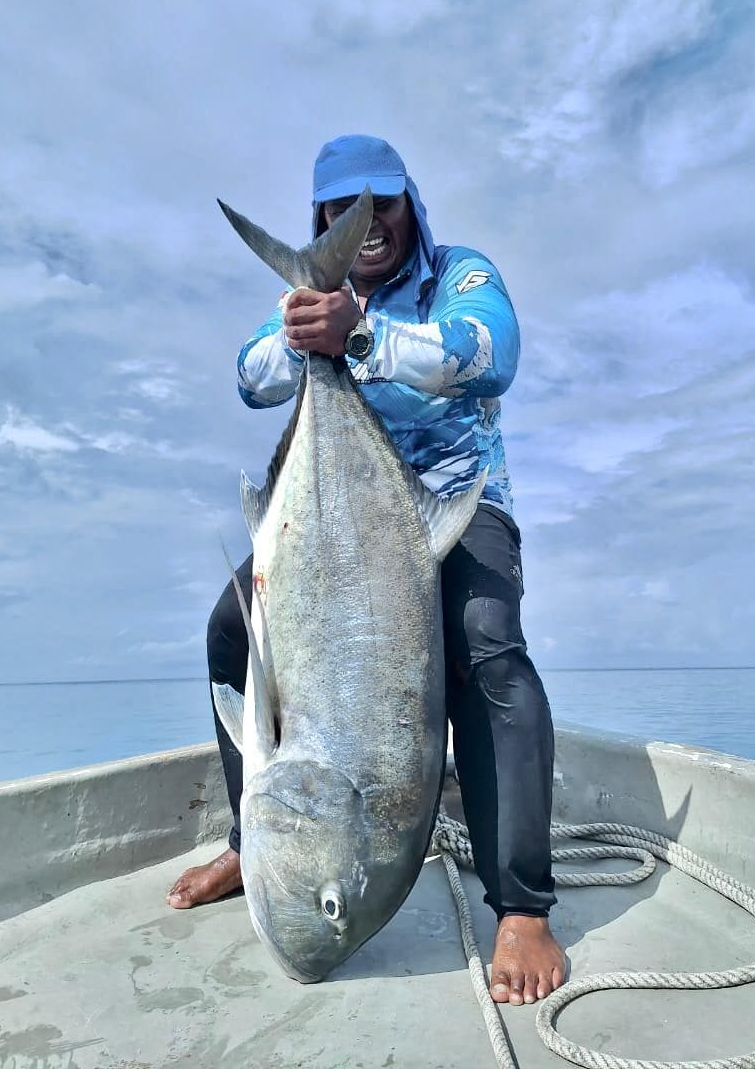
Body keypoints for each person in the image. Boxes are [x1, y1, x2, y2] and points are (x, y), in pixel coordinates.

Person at [167, 135, 565, 1005]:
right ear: (320, 221)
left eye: (380, 204)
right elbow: (249, 378)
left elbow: (489, 351)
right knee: (231, 631)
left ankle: (523, 904)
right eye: (341, 212)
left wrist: (364, 337)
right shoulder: (314, 296)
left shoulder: (462, 273)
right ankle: (254, 837)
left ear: (410, 203)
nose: (367, 224)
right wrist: (305, 325)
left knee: (485, 640)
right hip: (334, 524)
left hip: (455, 508)